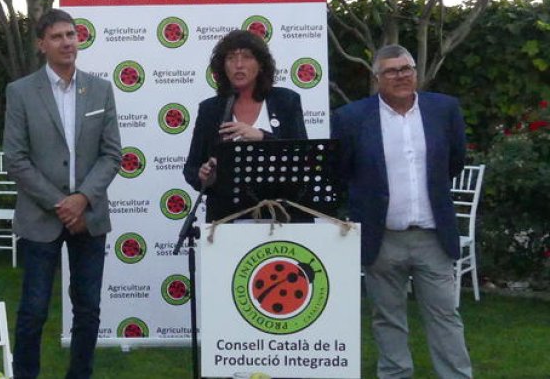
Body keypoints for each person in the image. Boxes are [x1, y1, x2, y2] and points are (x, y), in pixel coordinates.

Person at [333, 44, 472, 379]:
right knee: (387, 318)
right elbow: (340, 172)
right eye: (391, 71)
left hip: (432, 236)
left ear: (415, 71)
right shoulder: (351, 118)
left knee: (445, 316)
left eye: (406, 68)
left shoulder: (444, 109)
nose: (401, 76)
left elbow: (454, 161)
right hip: (382, 238)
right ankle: (395, 374)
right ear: (377, 77)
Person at [4, 8, 122, 379]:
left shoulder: (100, 89)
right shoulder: (20, 92)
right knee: (33, 309)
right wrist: (61, 203)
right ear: (42, 45)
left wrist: (82, 198)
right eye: (57, 36)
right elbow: (16, 159)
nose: (67, 42)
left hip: (89, 215)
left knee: (87, 309)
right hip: (42, 217)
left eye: (71, 34)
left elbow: (111, 154)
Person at [183, 29, 307, 219]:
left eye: (247, 57)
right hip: (228, 218)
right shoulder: (210, 109)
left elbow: (303, 157)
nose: (239, 65)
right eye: (231, 58)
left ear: (261, 65)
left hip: (283, 214)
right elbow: (192, 168)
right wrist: (206, 175)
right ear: (222, 67)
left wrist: (263, 137)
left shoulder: (285, 101)